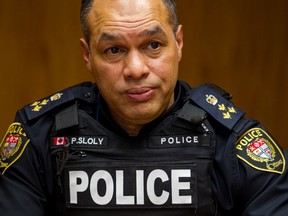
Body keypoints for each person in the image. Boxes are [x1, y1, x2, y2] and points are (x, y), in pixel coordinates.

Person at [0, 0, 287, 215]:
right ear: (88, 55)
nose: (136, 69)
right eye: (114, 50)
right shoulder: (39, 137)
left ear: (178, 43)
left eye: (153, 45)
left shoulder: (233, 143)